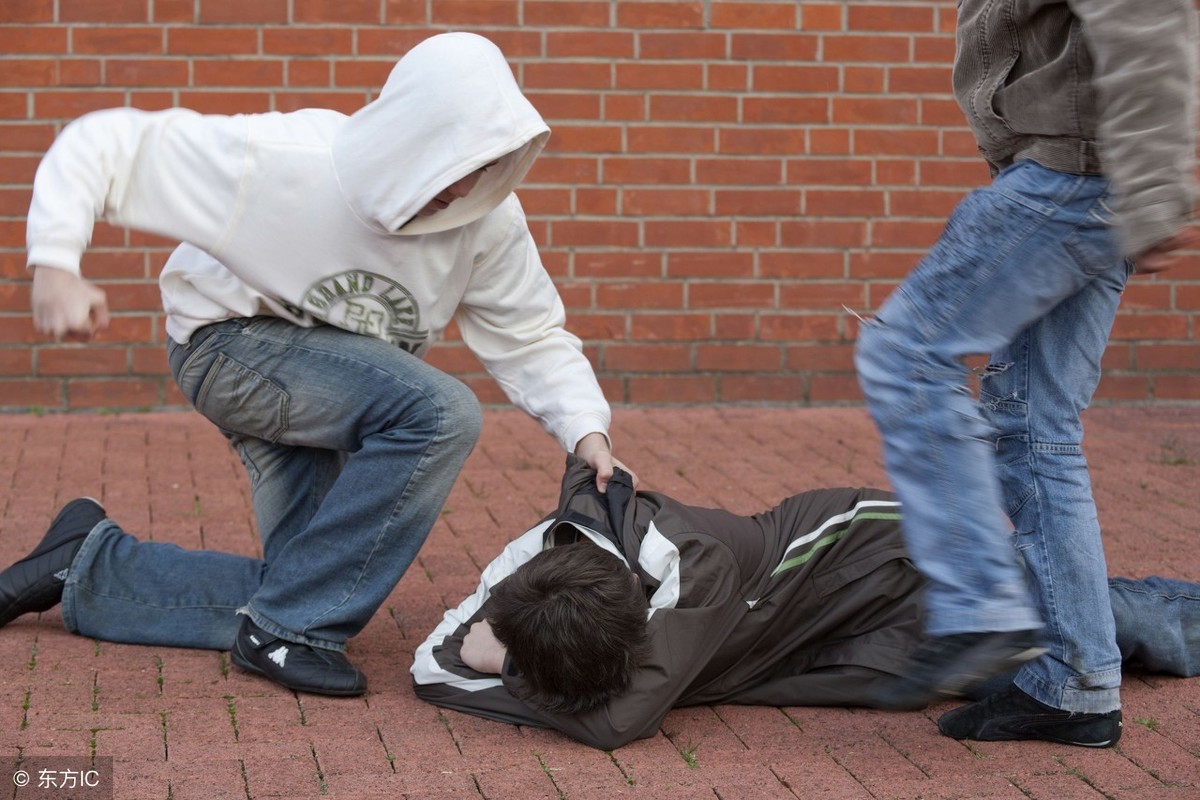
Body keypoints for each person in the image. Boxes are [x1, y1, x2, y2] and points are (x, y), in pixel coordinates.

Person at [9, 32, 634, 698]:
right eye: (450, 161)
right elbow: (104, 146)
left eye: (482, 165)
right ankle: (286, 633)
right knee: (440, 413)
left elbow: (529, 331)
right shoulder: (286, 159)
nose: (462, 186)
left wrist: (585, 430)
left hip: (332, 385)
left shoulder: (487, 220)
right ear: (406, 136)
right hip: (228, 346)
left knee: (307, 579)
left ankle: (86, 562)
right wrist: (54, 263)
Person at [851, 0, 1199, 740]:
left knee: (903, 353)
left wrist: (1156, 187)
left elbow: (1145, 16)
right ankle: (1075, 684)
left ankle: (976, 608)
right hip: (1081, 178)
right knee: (1036, 428)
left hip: (1069, 178)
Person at [411, 458, 1200, 750]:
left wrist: (507, 668)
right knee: (1014, 679)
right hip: (817, 648)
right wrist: (522, 659)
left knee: (1113, 626)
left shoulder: (692, 569)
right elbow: (426, 669)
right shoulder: (527, 579)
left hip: (879, 559)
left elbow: (619, 720)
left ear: (640, 613)